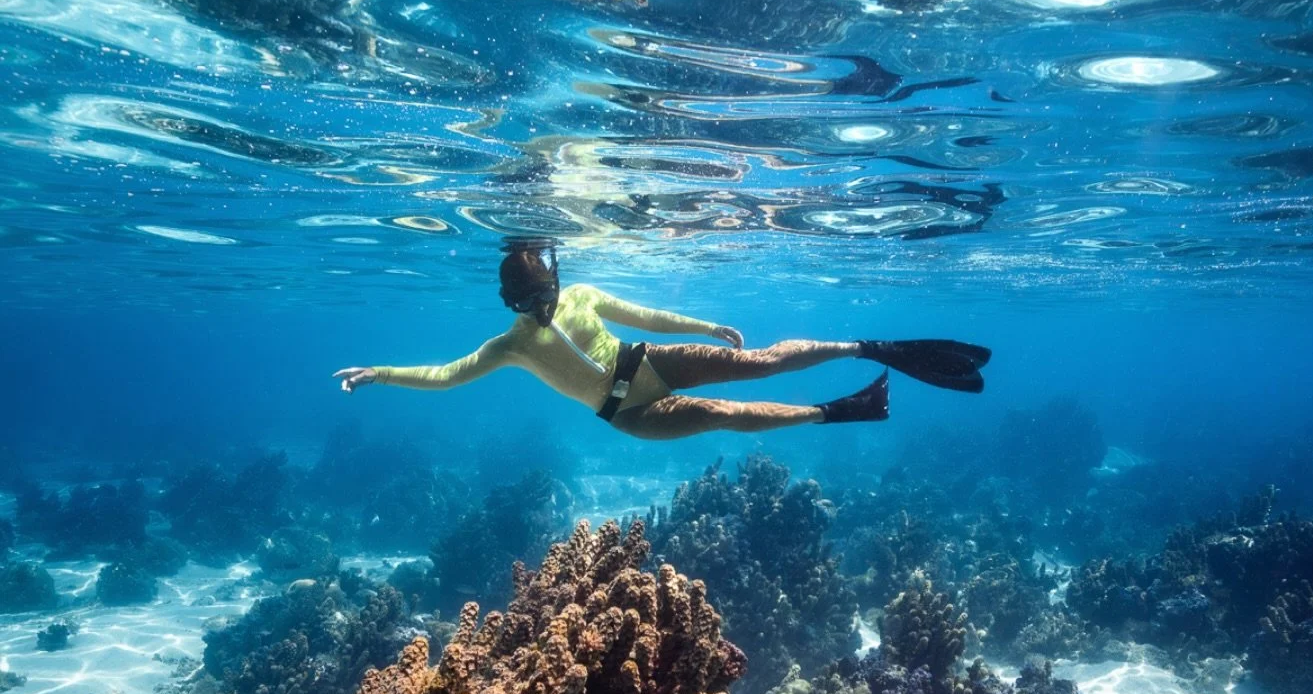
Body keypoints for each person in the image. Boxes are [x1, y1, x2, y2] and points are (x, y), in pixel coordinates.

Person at [334, 241, 990, 440]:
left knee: (756, 363)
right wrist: (381, 372)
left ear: (557, 278)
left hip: (650, 362)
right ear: (509, 304)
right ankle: (836, 411)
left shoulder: (583, 293)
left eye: (546, 294)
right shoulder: (511, 346)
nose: (543, 309)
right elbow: (447, 375)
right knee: (724, 416)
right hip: (632, 413)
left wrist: (703, 326)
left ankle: (869, 348)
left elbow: (644, 314)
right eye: (527, 304)